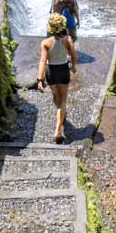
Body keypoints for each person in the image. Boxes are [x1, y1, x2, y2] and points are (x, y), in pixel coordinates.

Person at [38, 13, 78, 143]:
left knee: (56, 96)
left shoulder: (45, 42)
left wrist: (40, 79)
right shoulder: (68, 39)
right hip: (63, 70)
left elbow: (43, 61)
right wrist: (73, 66)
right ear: (62, 25)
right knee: (63, 101)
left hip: (51, 72)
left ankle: (60, 113)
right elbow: (73, 55)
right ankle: (58, 131)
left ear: (50, 27)